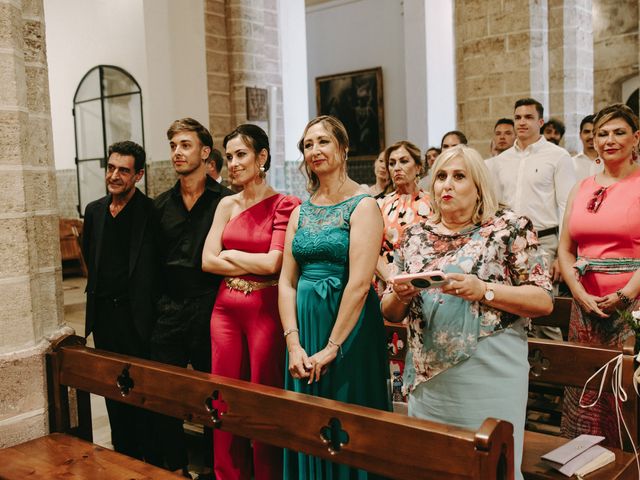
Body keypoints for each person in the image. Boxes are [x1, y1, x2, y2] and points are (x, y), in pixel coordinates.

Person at [381, 145, 553, 480]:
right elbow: (389, 310)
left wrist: (484, 290)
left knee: (490, 468)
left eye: (459, 176)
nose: (447, 184)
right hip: (429, 382)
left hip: (489, 372)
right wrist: (399, 294)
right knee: (432, 467)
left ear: (478, 186)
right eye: (441, 176)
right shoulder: (416, 235)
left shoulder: (509, 228)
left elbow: (542, 299)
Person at [279, 115, 390, 479]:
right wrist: (293, 344)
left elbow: (359, 284)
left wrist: (331, 347)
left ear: (343, 149)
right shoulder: (300, 210)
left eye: (323, 142)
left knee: (346, 418)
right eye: (308, 144)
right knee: (308, 420)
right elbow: (286, 282)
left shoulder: (364, 205)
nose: (315, 150)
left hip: (349, 328)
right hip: (305, 325)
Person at [201, 124, 300, 480]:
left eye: (241, 154)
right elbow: (206, 260)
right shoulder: (226, 204)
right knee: (224, 397)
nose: (233, 163)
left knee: (262, 396)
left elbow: (275, 263)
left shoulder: (286, 204)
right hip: (224, 309)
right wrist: (241, 259)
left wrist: (228, 253)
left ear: (261, 157)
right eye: (228, 156)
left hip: (264, 309)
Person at [152, 118, 233, 477]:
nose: (177, 153)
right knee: (166, 392)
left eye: (185, 145)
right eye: (173, 146)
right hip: (169, 309)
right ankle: (174, 466)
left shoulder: (227, 201)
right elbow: (150, 264)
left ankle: (214, 468)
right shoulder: (159, 206)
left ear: (204, 152)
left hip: (211, 306)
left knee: (213, 394)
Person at [559, 104, 640, 447]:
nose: (609, 140)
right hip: (585, 304)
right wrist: (577, 292)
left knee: (625, 384)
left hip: (633, 304)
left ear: (636, 138)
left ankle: (627, 457)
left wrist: (625, 295)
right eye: (601, 134)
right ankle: (583, 455)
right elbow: (565, 249)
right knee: (585, 382)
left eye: (619, 132)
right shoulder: (581, 188)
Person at [82, 140, 160, 462]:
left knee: (141, 390)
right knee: (112, 389)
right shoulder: (94, 211)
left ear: (138, 174)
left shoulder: (150, 212)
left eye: (123, 170)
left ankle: (146, 458)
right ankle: (121, 454)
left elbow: (157, 267)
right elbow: (90, 256)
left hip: (137, 316)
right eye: (111, 168)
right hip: (104, 316)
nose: (114, 175)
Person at [486, 98, 575, 340]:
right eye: (518, 117)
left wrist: (561, 254)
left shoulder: (558, 156)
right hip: (506, 243)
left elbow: (568, 205)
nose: (522, 122)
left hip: (543, 242)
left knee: (544, 316)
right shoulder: (501, 161)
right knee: (509, 313)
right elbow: (495, 206)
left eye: (528, 117)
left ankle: (550, 378)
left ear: (540, 121)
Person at [376, 140, 431, 296]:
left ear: (418, 167)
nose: (397, 168)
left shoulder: (433, 203)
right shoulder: (379, 205)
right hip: (388, 280)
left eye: (404, 161)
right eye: (392, 163)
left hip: (425, 281)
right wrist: (391, 278)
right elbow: (370, 251)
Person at [572, 114, 603, 181]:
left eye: (594, 132)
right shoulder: (571, 163)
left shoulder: (609, 163)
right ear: (580, 135)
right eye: (587, 132)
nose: (591, 136)